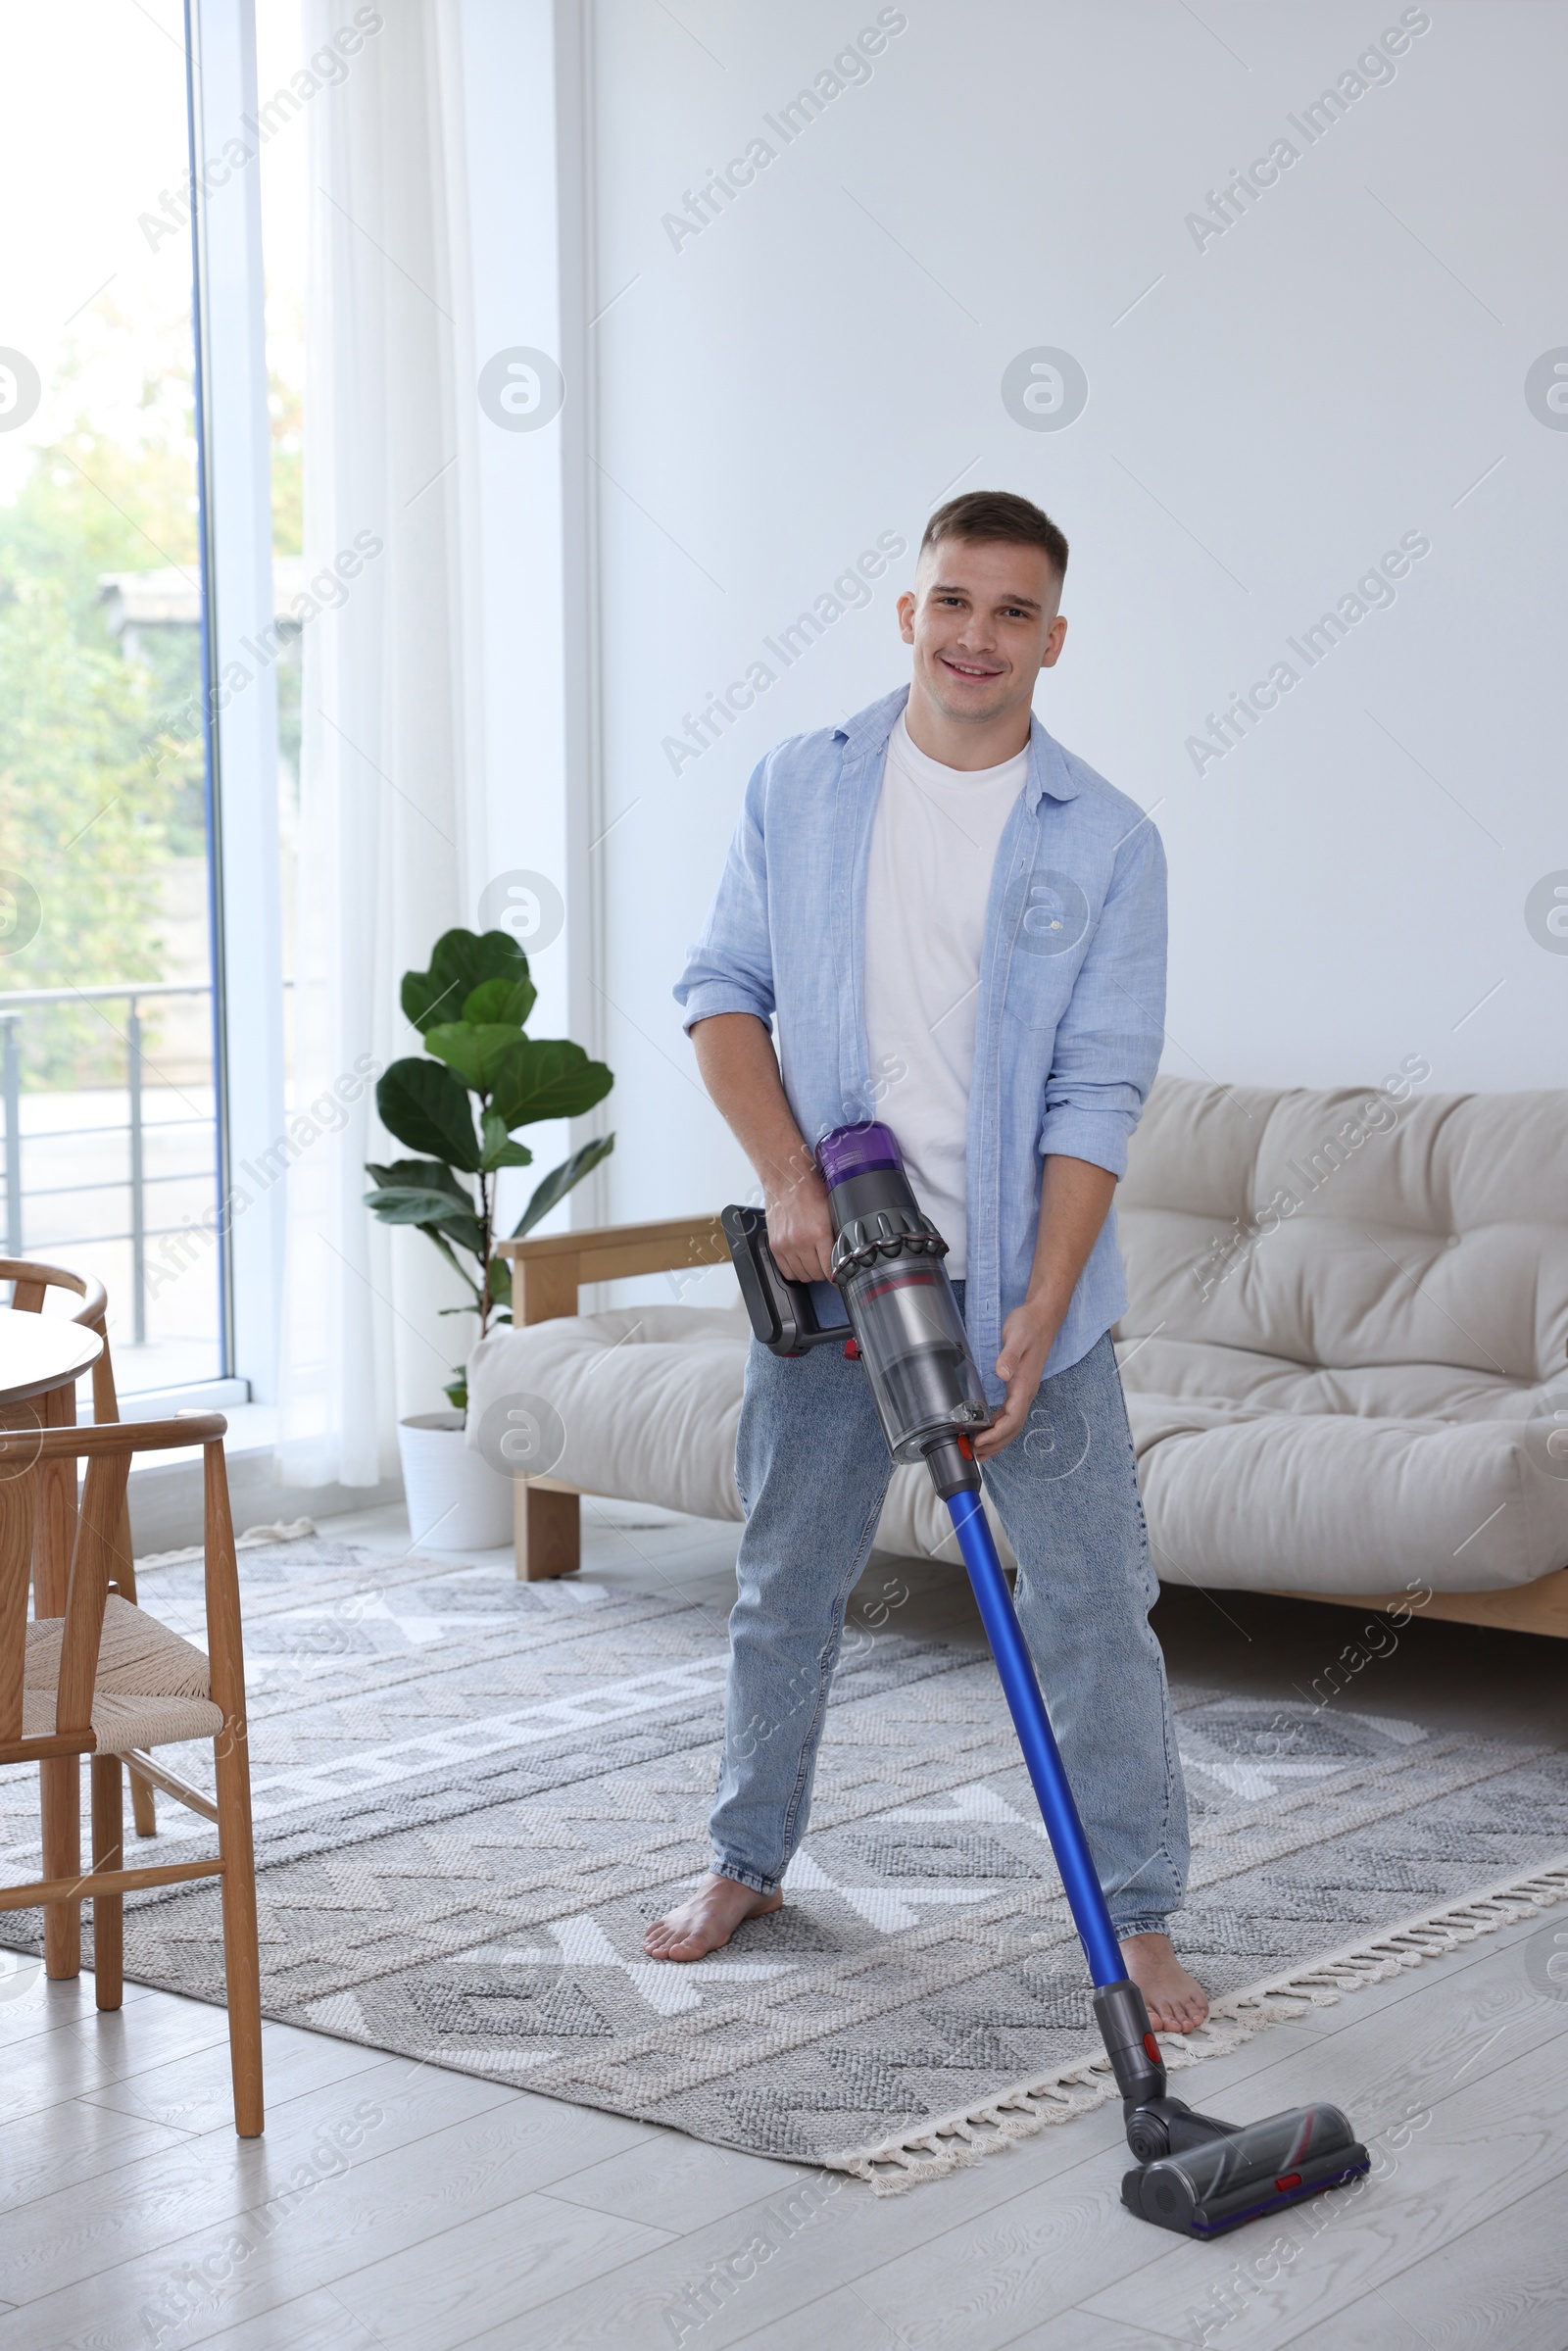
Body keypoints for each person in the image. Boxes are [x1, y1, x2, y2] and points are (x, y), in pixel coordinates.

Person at [650, 489, 1206, 2033]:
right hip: (836, 1282)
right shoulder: (803, 789)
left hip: (1027, 1291)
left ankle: (1141, 1919)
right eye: (953, 601)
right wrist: (787, 1183)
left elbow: (1100, 1090)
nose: (977, 636)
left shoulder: (1109, 840)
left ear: (1054, 638)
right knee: (788, 1581)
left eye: (1013, 612)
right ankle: (747, 1856)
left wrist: (1036, 1311)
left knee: (1091, 1607)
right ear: (909, 610)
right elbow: (721, 989)